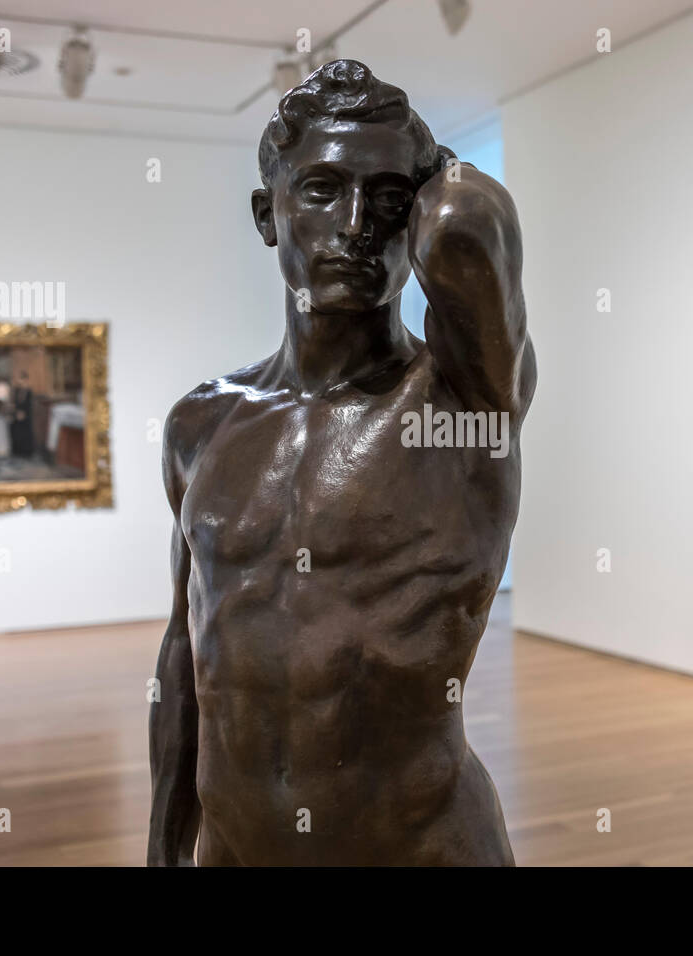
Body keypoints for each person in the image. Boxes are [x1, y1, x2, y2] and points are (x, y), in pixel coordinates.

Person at [147, 60, 534, 866]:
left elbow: (469, 218)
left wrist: (436, 171)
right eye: (321, 189)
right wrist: (162, 849)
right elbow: (186, 656)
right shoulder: (201, 422)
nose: (358, 224)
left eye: (390, 199)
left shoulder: (465, 404)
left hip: (419, 847)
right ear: (268, 214)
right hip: (237, 848)